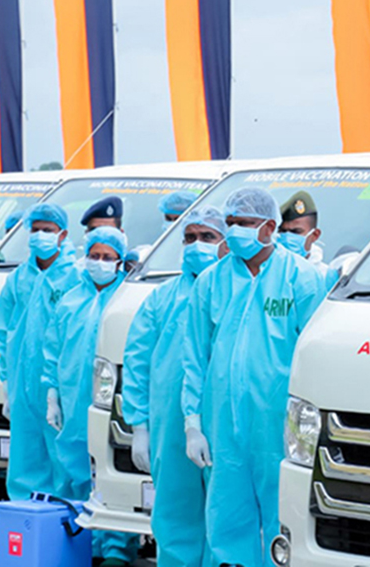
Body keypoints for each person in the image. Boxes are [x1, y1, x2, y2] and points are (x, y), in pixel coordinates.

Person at [181, 188, 325, 566]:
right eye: (230, 223)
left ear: (269, 228)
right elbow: (195, 357)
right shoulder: (210, 282)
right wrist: (192, 422)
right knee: (227, 516)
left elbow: (311, 358)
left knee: (284, 519)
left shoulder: (301, 279)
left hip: (277, 424)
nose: (234, 231)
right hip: (222, 426)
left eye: (244, 223)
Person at [122, 207, 227, 567]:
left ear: (225, 242)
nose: (197, 245)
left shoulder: (237, 293)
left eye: (207, 237)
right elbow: (137, 362)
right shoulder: (161, 299)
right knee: (174, 516)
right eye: (190, 237)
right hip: (170, 427)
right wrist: (139, 425)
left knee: (226, 519)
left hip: (224, 424)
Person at [42, 226, 139, 567]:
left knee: (111, 474)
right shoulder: (71, 298)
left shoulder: (125, 301)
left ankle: (115, 548)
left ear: (121, 261)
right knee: (72, 470)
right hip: (71, 398)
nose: (99, 263)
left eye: (107, 258)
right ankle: (78, 541)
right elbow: (53, 349)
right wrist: (52, 392)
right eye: (94, 256)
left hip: (111, 401)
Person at [0, 203, 82, 501]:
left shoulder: (75, 277)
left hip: (59, 382)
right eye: (36, 229)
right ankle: (27, 521)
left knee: (63, 453)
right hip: (22, 382)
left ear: (63, 234)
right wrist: (6, 382)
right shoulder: (19, 277)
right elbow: (3, 330)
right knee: (25, 451)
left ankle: (67, 521)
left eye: (48, 230)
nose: (40, 236)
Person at [277, 190, 339, 291]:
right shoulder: (266, 271)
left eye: (296, 232)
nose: (287, 237)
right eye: (282, 231)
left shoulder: (326, 278)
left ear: (314, 235)